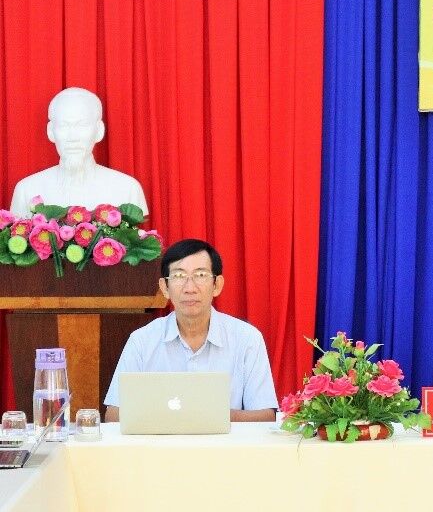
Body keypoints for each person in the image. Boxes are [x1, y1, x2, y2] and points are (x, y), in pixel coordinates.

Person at [103, 239, 278, 422]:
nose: (190, 288)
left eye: (200, 275)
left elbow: (265, 416)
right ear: (164, 287)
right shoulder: (142, 340)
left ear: (217, 285)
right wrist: (184, 419)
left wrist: (208, 418)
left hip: (224, 441)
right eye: (179, 276)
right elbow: (113, 415)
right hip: (162, 442)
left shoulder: (247, 338)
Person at [10, 87, 148, 216]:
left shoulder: (127, 189)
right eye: (63, 125)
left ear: (99, 130)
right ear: (51, 131)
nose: (72, 137)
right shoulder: (27, 190)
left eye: (82, 125)